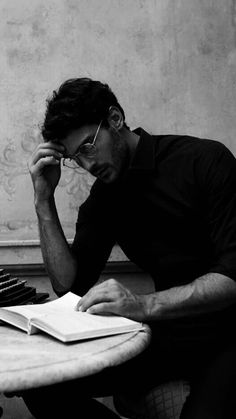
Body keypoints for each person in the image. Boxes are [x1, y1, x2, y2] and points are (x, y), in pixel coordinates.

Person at [25, 77, 236, 418]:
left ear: (115, 120)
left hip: (228, 335)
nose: (88, 166)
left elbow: (233, 275)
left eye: (88, 147)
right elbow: (68, 285)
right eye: (76, 158)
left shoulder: (204, 160)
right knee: (39, 384)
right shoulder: (105, 197)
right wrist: (43, 200)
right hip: (169, 338)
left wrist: (142, 304)